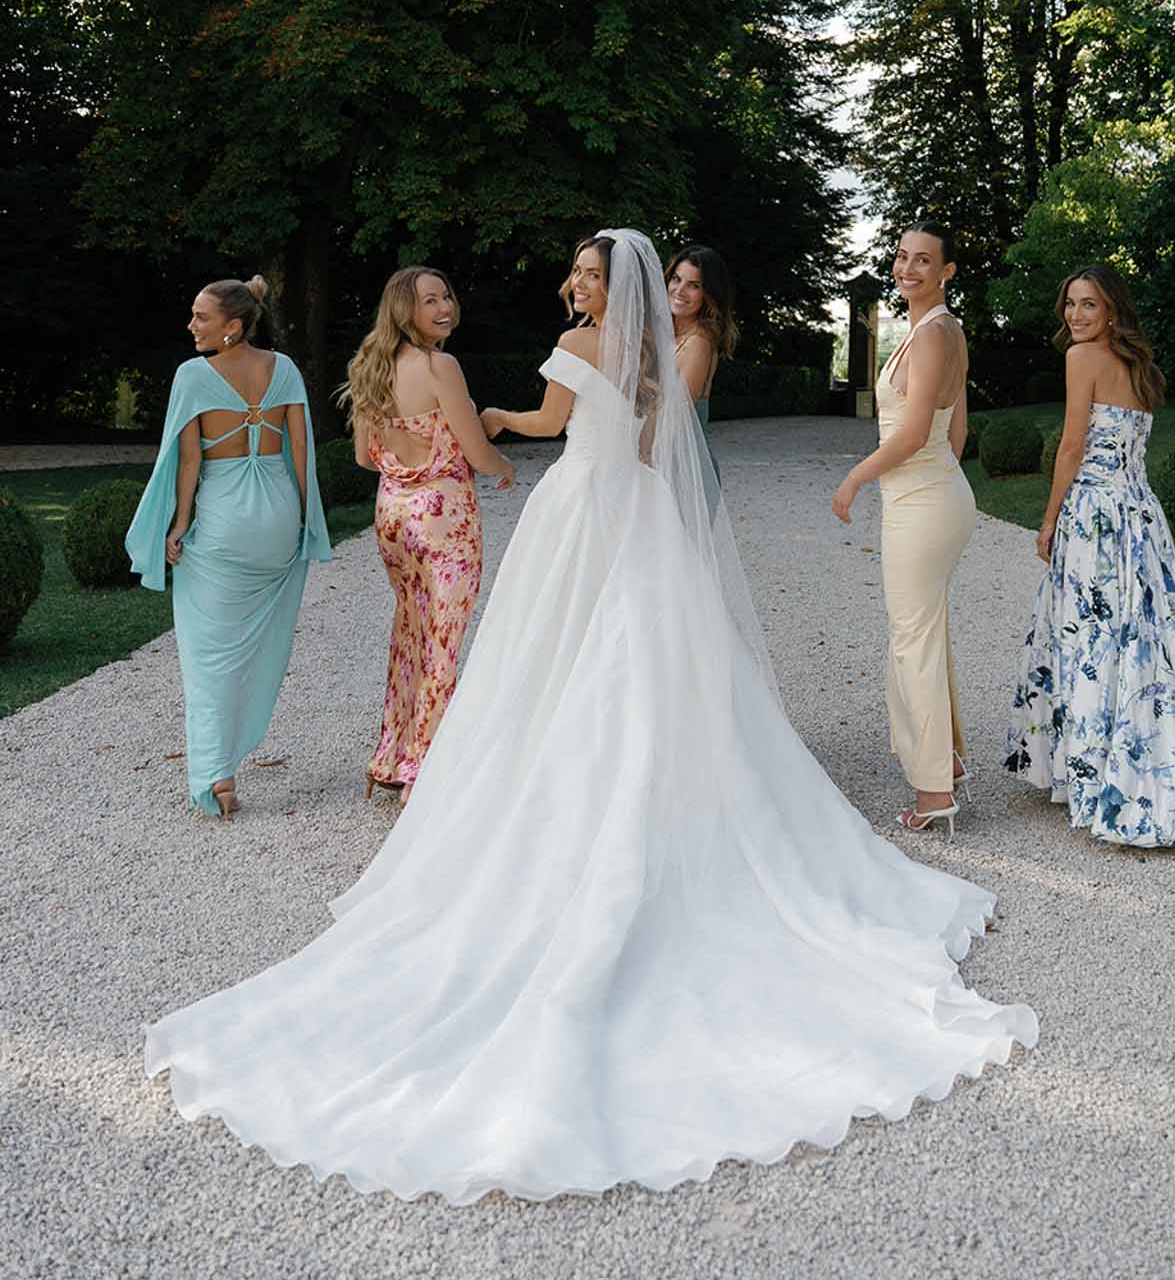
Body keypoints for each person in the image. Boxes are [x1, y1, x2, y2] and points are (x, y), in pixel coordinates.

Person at [145, 229, 1035, 1206]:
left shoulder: (576, 347)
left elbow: (546, 422)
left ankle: (555, 799)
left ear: (605, 286)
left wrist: (494, 412)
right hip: (640, 510)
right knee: (651, 663)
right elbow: (653, 434)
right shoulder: (653, 350)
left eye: (582, 273)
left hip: (580, 507)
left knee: (550, 660)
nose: (571, 282)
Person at [1004, 265, 1175, 847]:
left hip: (1094, 517)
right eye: (1070, 305)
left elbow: (1071, 445)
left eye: (1089, 305)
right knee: (1148, 643)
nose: (1076, 316)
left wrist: (1048, 518)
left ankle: (1098, 782)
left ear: (1112, 310)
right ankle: (1166, 775)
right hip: (1140, 515)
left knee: (1093, 639)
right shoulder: (1140, 367)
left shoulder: (1080, 359)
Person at [125, 276, 331, 817]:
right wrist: (308, 525)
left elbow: (188, 462)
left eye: (201, 317)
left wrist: (178, 526)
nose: (191, 326)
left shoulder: (192, 376)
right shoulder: (283, 369)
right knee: (260, 644)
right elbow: (301, 452)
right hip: (279, 520)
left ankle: (219, 776)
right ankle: (231, 754)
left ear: (233, 326)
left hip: (222, 523)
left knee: (209, 655)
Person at [343, 266, 515, 805]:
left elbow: (361, 458)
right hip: (444, 518)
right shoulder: (441, 366)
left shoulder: (370, 365)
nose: (444, 307)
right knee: (443, 640)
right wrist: (503, 465)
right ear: (404, 310)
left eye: (447, 295)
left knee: (410, 632)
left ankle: (390, 757)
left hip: (392, 512)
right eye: (429, 300)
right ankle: (424, 769)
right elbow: (475, 450)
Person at [832, 222, 975, 838]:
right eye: (902, 257)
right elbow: (957, 430)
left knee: (911, 639)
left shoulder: (934, 334)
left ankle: (933, 791)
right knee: (927, 632)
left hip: (921, 501)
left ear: (945, 272)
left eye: (924, 261)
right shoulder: (933, 331)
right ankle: (951, 759)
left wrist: (854, 480)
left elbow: (915, 432)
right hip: (934, 493)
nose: (908, 268)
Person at [664, 242, 737, 507]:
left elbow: (675, 415)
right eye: (676, 279)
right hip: (661, 465)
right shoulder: (666, 335)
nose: (680, 291)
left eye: (694, 285)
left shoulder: (699, 341)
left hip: (685, 473)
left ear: (709, 294)